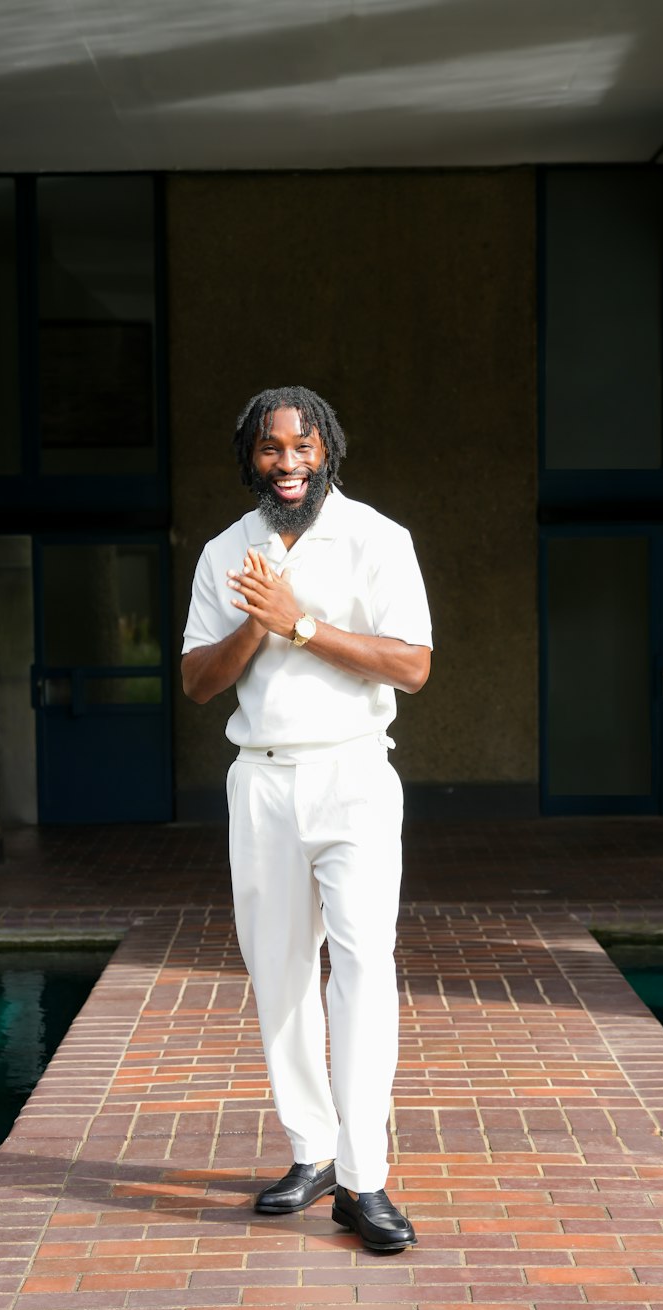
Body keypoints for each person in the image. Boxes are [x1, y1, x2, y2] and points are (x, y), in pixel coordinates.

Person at [181, 386, 432, 1252]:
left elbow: (412, 665)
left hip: (354, 775)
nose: (286, 464)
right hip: (261, 782)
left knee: (363, 968)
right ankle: (310, 1150)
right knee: (279, 972)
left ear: (328, 450)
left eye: (303, 446)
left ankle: (366, 1181)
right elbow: (198, 682)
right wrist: (256, 628)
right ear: (249, 456)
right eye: (269, 448)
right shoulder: (224, 552)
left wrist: (301, 621)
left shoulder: (378, 539)